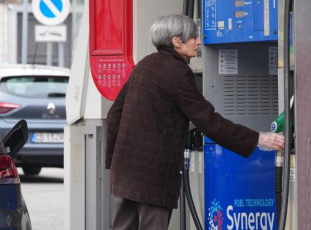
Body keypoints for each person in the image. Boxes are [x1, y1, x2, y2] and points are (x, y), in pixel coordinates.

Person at [105, 14, 285, 230]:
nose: (199, 42)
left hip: (125, 173)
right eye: (194, 37)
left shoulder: (144, 64)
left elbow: (114, 114)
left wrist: (114, 164)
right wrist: (258, 139)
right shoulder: (177, 71)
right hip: (153, 177)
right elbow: (208, 120)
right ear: (177, 42)